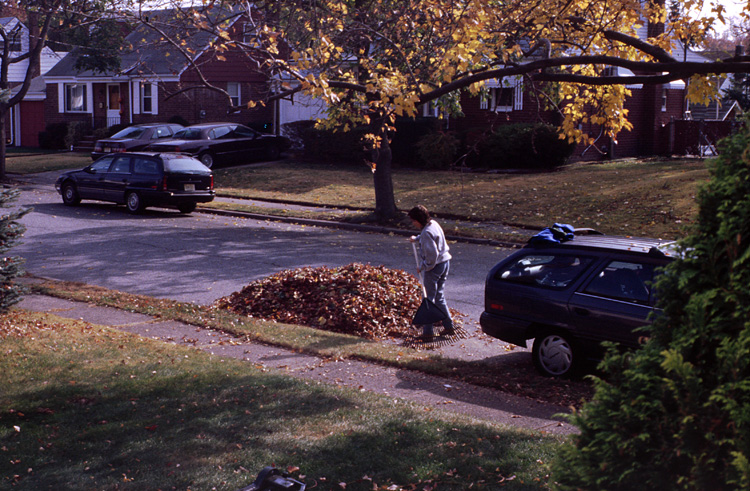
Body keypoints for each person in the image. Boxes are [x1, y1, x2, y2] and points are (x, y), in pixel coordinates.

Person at [408, 205, 455, 337]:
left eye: (413, 221)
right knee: (439, 297)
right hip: (445, 263)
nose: (413, 223)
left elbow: (432, 256)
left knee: (428, 299)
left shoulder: (426, 234)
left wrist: (422, 266)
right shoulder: (433, 224)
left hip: (434, 267)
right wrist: (417, 239)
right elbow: (429, 237)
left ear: (418, 220)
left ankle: (427, 333)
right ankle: (449, 326)